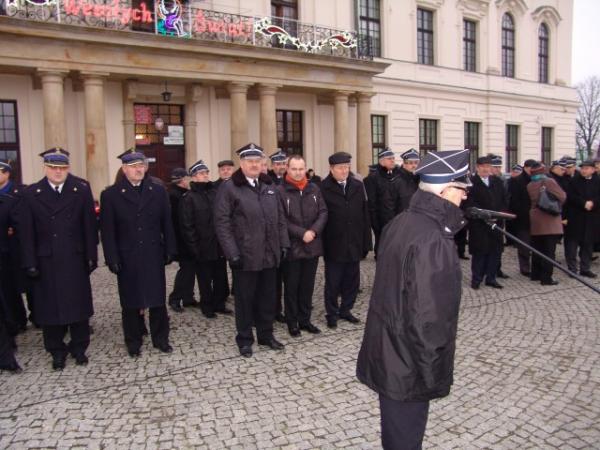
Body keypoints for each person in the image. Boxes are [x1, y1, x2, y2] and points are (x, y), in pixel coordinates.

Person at [357, 149, 470, 450]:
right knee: (405, 438)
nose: (465, 196)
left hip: (390, 348)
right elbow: (428, 318)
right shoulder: (434, 239)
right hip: (409, 361)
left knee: (396, 433)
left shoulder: (401, 221)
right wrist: (432, 373)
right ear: (445, 191)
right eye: (461, 189)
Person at [20, 148, 97, 370]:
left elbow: (89, 226)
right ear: (45, 168)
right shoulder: (32, 193)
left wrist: (91, 256)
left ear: (68, 168)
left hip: (74, 257)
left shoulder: (80, 189)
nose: (57, 172)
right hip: (47, 260)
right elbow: (26, 233)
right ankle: (56, 351)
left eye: (62, 168)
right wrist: (30, 262)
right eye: (53, 168)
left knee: (79, 307)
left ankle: (79, 347)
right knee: (50, 309)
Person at [214, 143, 290, 357]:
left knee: (268, 298)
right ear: (242, 163)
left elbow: (280, 218)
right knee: (245, 300)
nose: (255, 165)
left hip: (269, 253)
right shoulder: (229, 188)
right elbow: (222, 223)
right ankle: (245, 339)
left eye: (258, 161)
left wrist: (283, 244)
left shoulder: (268, 185)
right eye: (250, 161)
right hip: (245, 255)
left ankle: (266, 335)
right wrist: (232, 253)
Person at [100, 148, 176, 358]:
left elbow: (166, 222)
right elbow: (108, 231)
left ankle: (161, 339)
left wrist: (170, 248)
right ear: (124, 169)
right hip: (128, 256)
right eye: (133, 166)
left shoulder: (157, 191)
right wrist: (111, 258)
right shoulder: (111, 195)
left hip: (152, 253)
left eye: (141, 165)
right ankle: (133, 341)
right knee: (131, 302)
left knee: (157, 300)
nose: (138, 169)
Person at [278, 155, 328, 337]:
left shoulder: (314, 188)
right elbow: (281, 219)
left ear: (305, 169)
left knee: (307, 286)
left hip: (312, 246)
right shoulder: (280, 191)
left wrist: (313, 231)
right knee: (291, 288)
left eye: (301, 169)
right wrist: (302, 233)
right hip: (292, 248)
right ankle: (292, 322)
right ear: (287, 169)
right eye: (294, 169)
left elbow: (323, 212)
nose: (298, 172)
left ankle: (305, 320)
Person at [320, 152, 371, 329]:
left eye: (347, 167)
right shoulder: (323, 188)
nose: (344, 171)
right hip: (334, 243)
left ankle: (346, 309)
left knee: (352, 281)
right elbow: (321, 217)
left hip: (354, 241)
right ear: (331, 169)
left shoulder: (357, 185)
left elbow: (364, 214)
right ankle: (332, 313)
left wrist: (366, 242)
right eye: (341, 168)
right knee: (333, 282)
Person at [179, 160, 232, 319]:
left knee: (220, 277)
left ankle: (219, 304)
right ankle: (207, 306)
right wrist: (194, 247)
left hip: (218, 244)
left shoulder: (215, 193)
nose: (206, 176)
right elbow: (187, 226)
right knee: (204, 279)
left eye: (207, 173)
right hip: (202, 246)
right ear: (194, 177)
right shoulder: (189, 198)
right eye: (202, 173)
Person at [465, 156, 506, 289]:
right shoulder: (471, 182)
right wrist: (482, 215)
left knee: (495, 252)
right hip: (479, 224)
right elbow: (469, 203)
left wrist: (498, 214)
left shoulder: (497, 182)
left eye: (488, 166)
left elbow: (504, 200)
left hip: (496, 223)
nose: (486, 169)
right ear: (477, 167)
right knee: (479, 252)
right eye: (483, 166)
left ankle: (491, 278)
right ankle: (476, 279)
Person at [0, 160, 29, 334]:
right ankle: (15, 320)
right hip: (4, 249)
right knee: (8, 288)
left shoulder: (20, 192)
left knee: (26, 284)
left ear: (7, 173)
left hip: (16, 247)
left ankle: (31, 316)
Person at [527, 162, 566, 285]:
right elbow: (562, 196)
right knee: (549, 251)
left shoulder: (530, 185)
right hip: (550, 220)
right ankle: (546, 278)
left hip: (535, 220)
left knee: (537, 249)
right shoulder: (549, 181)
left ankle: (535, 274)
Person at [167, 168, 198, 312]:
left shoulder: (182, 194)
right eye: (188, 178)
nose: (189, 181)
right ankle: (175, 298)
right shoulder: (175, 196)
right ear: (182, 180)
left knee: (190, 269)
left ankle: (188, 297)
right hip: (182, 239)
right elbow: (178, 220)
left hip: (186, 238)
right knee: (186, 270)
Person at [564, 160, 600, 278]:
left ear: (593, 170)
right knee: (572, 244)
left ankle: (585, 268)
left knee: (588, 245)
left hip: (591, 217)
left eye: (586, 168)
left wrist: (593, 203)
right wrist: (583, 203)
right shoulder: (574, 181)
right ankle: (572, 269)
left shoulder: (598, 181)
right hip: (575, 217)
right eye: (583, 168)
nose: (584, 171)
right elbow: (570, 197)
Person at [364, 147, 401, 255]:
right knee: (382, 246)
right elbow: (371, 202)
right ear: (381, 161)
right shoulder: (373, 178)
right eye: (389, 159)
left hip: (396, 217)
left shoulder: (397, 175)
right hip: (381, 219)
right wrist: (374, 222)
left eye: (393, 158)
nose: (393, 161)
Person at [267, 150, 288, 322]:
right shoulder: (267, 182)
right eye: (277, 164)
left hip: (290, 235)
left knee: (288, 277)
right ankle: (273, 309)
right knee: (273, 279)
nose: (280, 167)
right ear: (272, 166)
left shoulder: (290, 180)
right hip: (274, 235)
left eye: (282, 164)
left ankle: (285, 308)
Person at [508, 159, 536, 276]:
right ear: (526, 168)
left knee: (535, 244)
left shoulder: (536, 179)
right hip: (523, 218)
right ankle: (525, 268)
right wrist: (521, 213)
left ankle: (535, 266)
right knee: (524, 245)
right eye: (531, 168)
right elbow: (514, 201)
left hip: (535, 218)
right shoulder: (517, 181)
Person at [395, 148, 420, 213]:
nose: (414, 166)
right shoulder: (397, 181)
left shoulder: (420, 180)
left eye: (416, 163)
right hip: (402, 217)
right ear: (404, 164)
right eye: (410, 163)